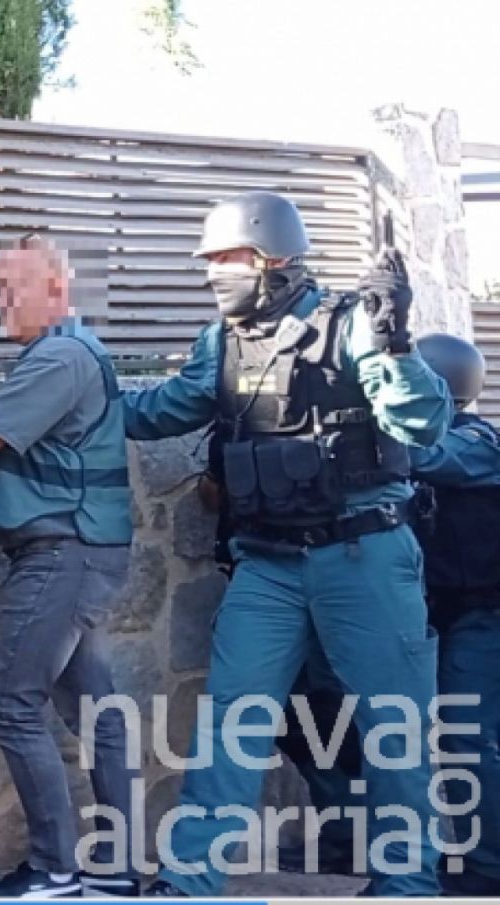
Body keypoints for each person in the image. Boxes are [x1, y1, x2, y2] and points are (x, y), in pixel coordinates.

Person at [124, 192, 450, 898]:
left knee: (393, 728)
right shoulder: (223, 341)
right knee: (230, 724)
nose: (213, 273)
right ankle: (188, 880)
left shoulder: (350, 323)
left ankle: (407, 883)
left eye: (227, 258)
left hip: (362, 553)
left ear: (273, 257)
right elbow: (162, 409)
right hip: (267, 564)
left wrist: (395, 343)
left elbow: (423, 424)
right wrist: (80, 395)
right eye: (210, 260)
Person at [0, 236, 139, 898]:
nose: (2, 301)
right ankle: (115, 871)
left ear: (58, 287)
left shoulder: (62, 355)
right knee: (95, 710)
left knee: (11, 703)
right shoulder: (65, 351)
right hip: (76, 549)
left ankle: (55, 871)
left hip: (64, 552)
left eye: (15, 286)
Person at [406, 332, 500, 897]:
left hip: (483, 616)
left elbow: (429, 458)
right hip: (445, 612)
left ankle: (488, 864)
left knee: (468, 734)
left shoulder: (478, 443)